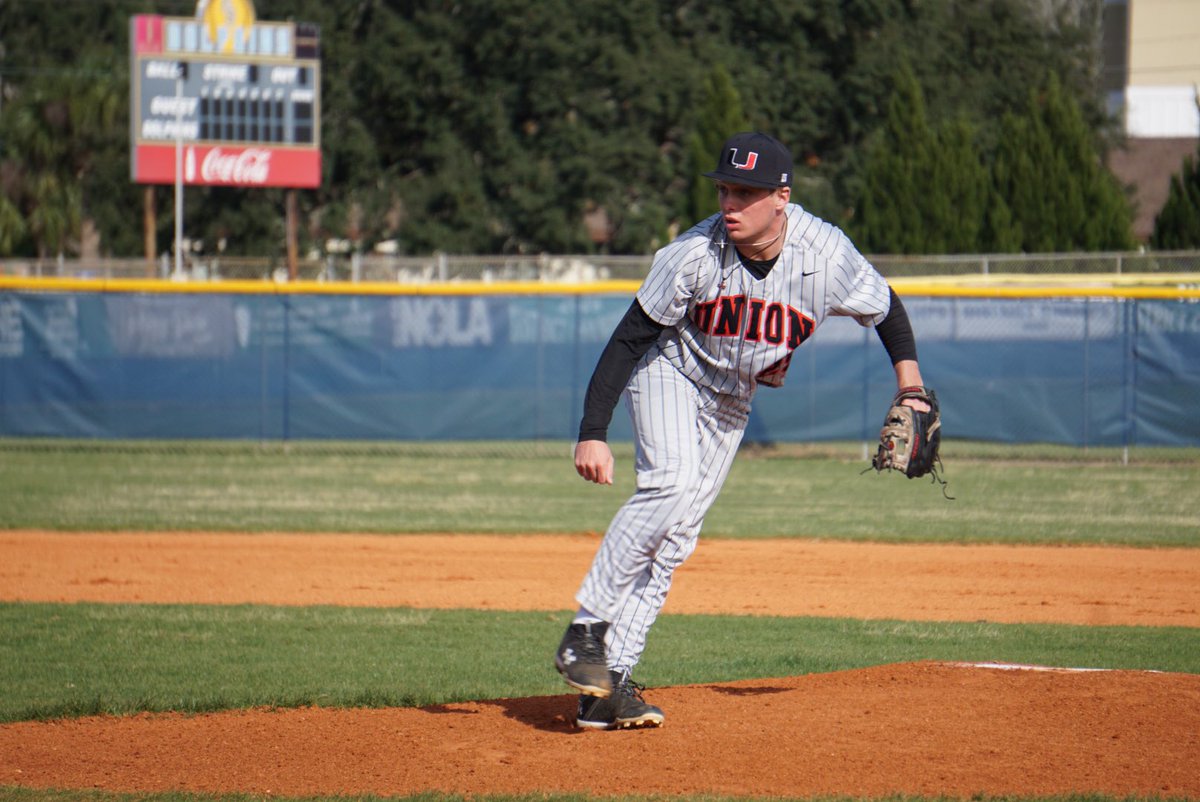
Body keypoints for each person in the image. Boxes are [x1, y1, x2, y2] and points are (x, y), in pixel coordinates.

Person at [554, 131, 930, 730]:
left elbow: (886, 309)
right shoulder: (692, 255)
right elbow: (629, 339)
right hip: (670, 371)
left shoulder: (826, 256)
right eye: (725, 189)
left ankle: (606, 691)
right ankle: (585, 631)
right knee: (670, 485)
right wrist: (592, 429)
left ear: (782, 196)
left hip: (732, 399)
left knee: (675, 540)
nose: (730, 203)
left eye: (746, 192)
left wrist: (910, 387)